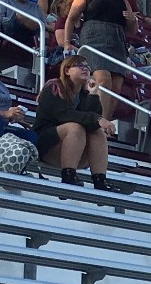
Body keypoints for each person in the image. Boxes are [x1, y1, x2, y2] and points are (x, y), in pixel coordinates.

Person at [62, 0, 140, 122]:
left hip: (117, 42)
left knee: (116, 87)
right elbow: (71, 18)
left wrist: (133, 19)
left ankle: (106, 123)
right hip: (93, 39)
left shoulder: (123, 0)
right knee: (103, 79)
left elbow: (133, 30)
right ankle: (101, 122)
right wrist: (66, 42)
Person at [32, 54, 114, 189]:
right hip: (46, 146)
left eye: (87, 66)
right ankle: (68, 176)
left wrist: (93, 95)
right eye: (80, 65)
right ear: (66, 71)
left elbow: (92, 121)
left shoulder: (84, 94)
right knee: (75, 127)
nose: (85, 69)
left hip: (74, 150)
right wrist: (98, 119)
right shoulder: (53, 87)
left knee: (97, 132)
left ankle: (100, 181)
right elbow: (63, 115)